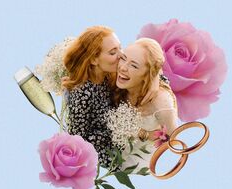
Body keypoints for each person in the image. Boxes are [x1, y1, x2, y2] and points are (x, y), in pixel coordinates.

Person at [115, 38, 178, 172]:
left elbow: (172, 139)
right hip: (115, 163)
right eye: (123, 58)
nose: (123, 67)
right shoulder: (118, 83)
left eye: (134, 65)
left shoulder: (161, 102)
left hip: (142, 169)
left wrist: (140, 133)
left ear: (147, 74)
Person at [62, 26, 121, 168]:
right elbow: (78, 140)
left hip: (119, 145)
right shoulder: (82, 92)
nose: (121, 55)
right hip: (102, 159)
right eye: (113, 52)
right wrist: (117, 132)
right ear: (94, 59)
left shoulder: (109, 77)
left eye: (120, 48)